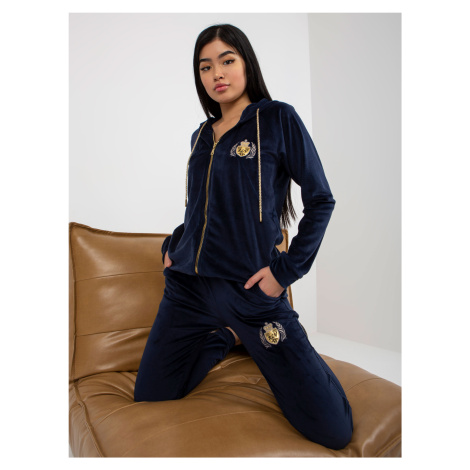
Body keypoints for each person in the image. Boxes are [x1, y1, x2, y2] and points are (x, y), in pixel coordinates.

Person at [134, 23, 353, 450]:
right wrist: (173, 246)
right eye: (205, 67)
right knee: (151, 394)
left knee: (334, 429)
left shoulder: (277, 119)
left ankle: (238, 329)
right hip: (189, 291)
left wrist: (285, 272)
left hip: (250, 292)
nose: (217, 73)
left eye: (227, 61)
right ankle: (224, 337)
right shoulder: (201, 136)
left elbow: (321, 199)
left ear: (246, 63)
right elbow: (199, 209)